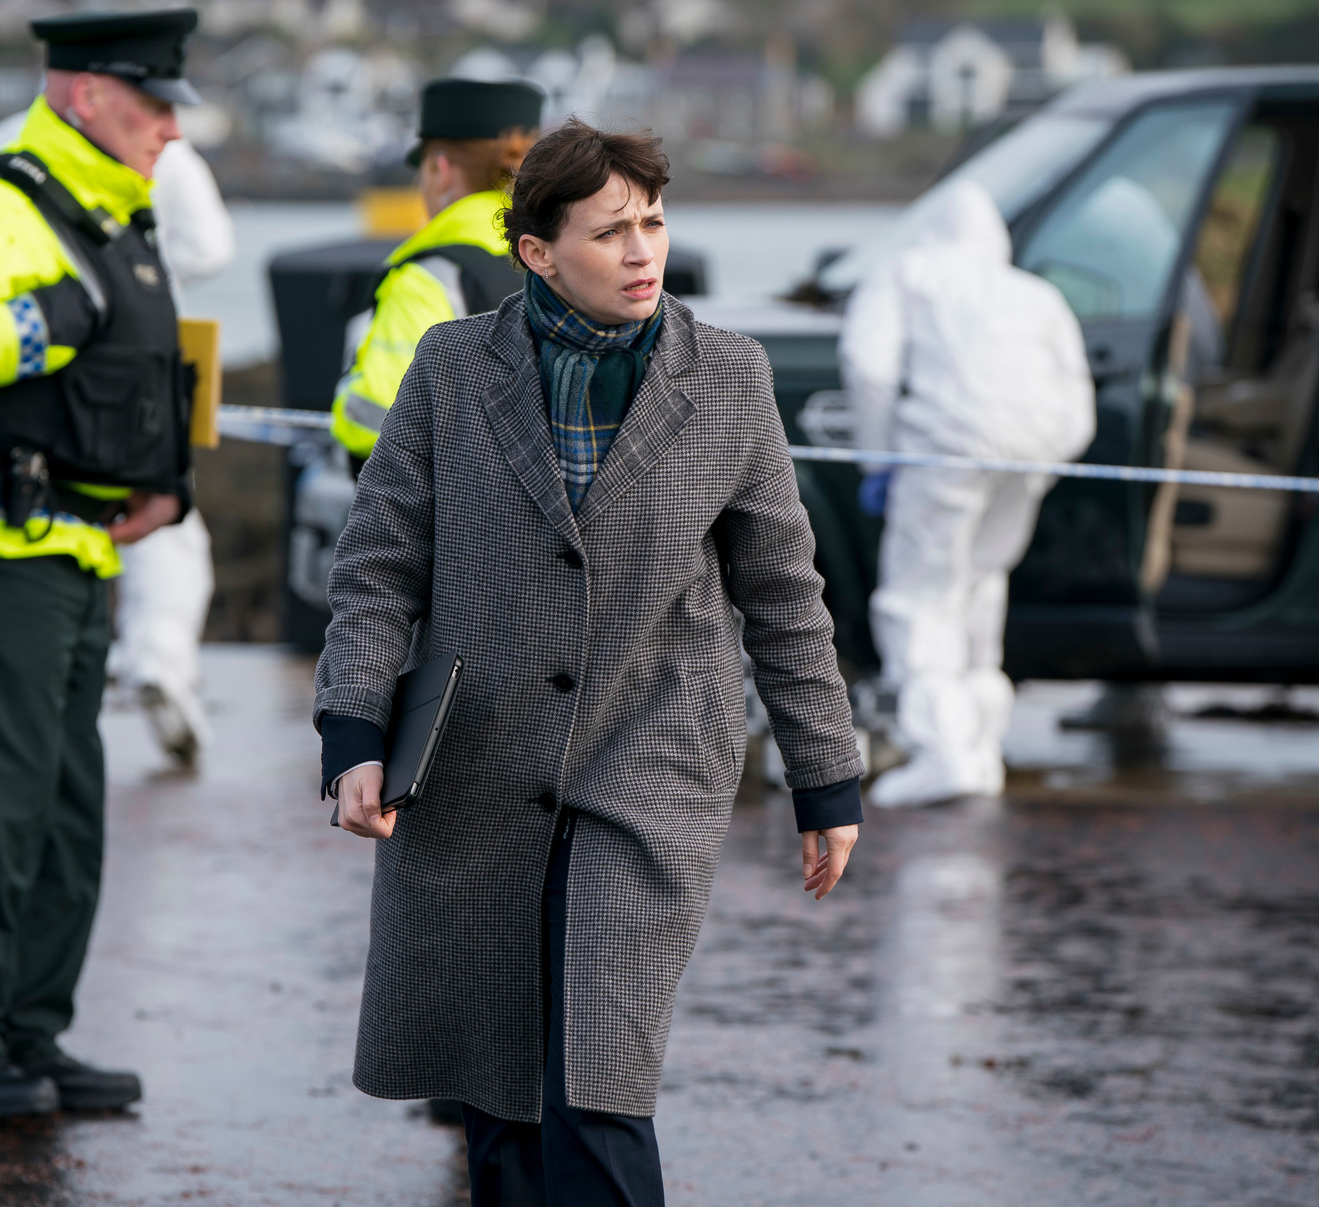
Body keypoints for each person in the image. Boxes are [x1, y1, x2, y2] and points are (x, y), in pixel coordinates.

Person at [315, 121, 863, 1206]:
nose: (642, 249)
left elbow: (783, 595)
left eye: (652, 221)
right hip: (475, 771)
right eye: (610, 231)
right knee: (501, 1101)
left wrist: (826, 776)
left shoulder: (731, 377)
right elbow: (379, 566)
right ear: (537, 251)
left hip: (651, 764)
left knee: (598, 1086)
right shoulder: (452, 368)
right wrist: (354, 732)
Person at [0, 8, 204, 1118]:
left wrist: (167, 483)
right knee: (7, 802)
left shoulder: (113, 213)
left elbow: (140, 376)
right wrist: (66, 311)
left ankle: (27, 1034)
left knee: (68, 810)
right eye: (154, 102)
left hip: (76, 548)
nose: (172, 127)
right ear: (85, 94)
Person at [0, 92, 235, 771]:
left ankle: (46, 689)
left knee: (37, 514)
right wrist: (142, 279)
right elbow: (210, 247)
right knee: (165, 523)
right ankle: (158, 662)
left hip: (30, 368)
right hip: (139, 364)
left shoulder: (0, 141)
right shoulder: (162, 149)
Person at [838, 179, 1095, 809]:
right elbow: (1077, 405)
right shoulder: (1036, 294)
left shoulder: (907, 272)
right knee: (981, 587)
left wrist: (878, 459)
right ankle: (981, 750)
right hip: (1027, 456)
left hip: (942, 452)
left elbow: (868, 366)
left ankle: (941, 753)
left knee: (918, 597)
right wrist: (1041, 462)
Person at [330, 77, 542, 462]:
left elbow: (374, 417)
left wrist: (345, 402)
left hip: (452, 498)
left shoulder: (427, 278)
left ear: (441, 170)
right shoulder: (560, 258)